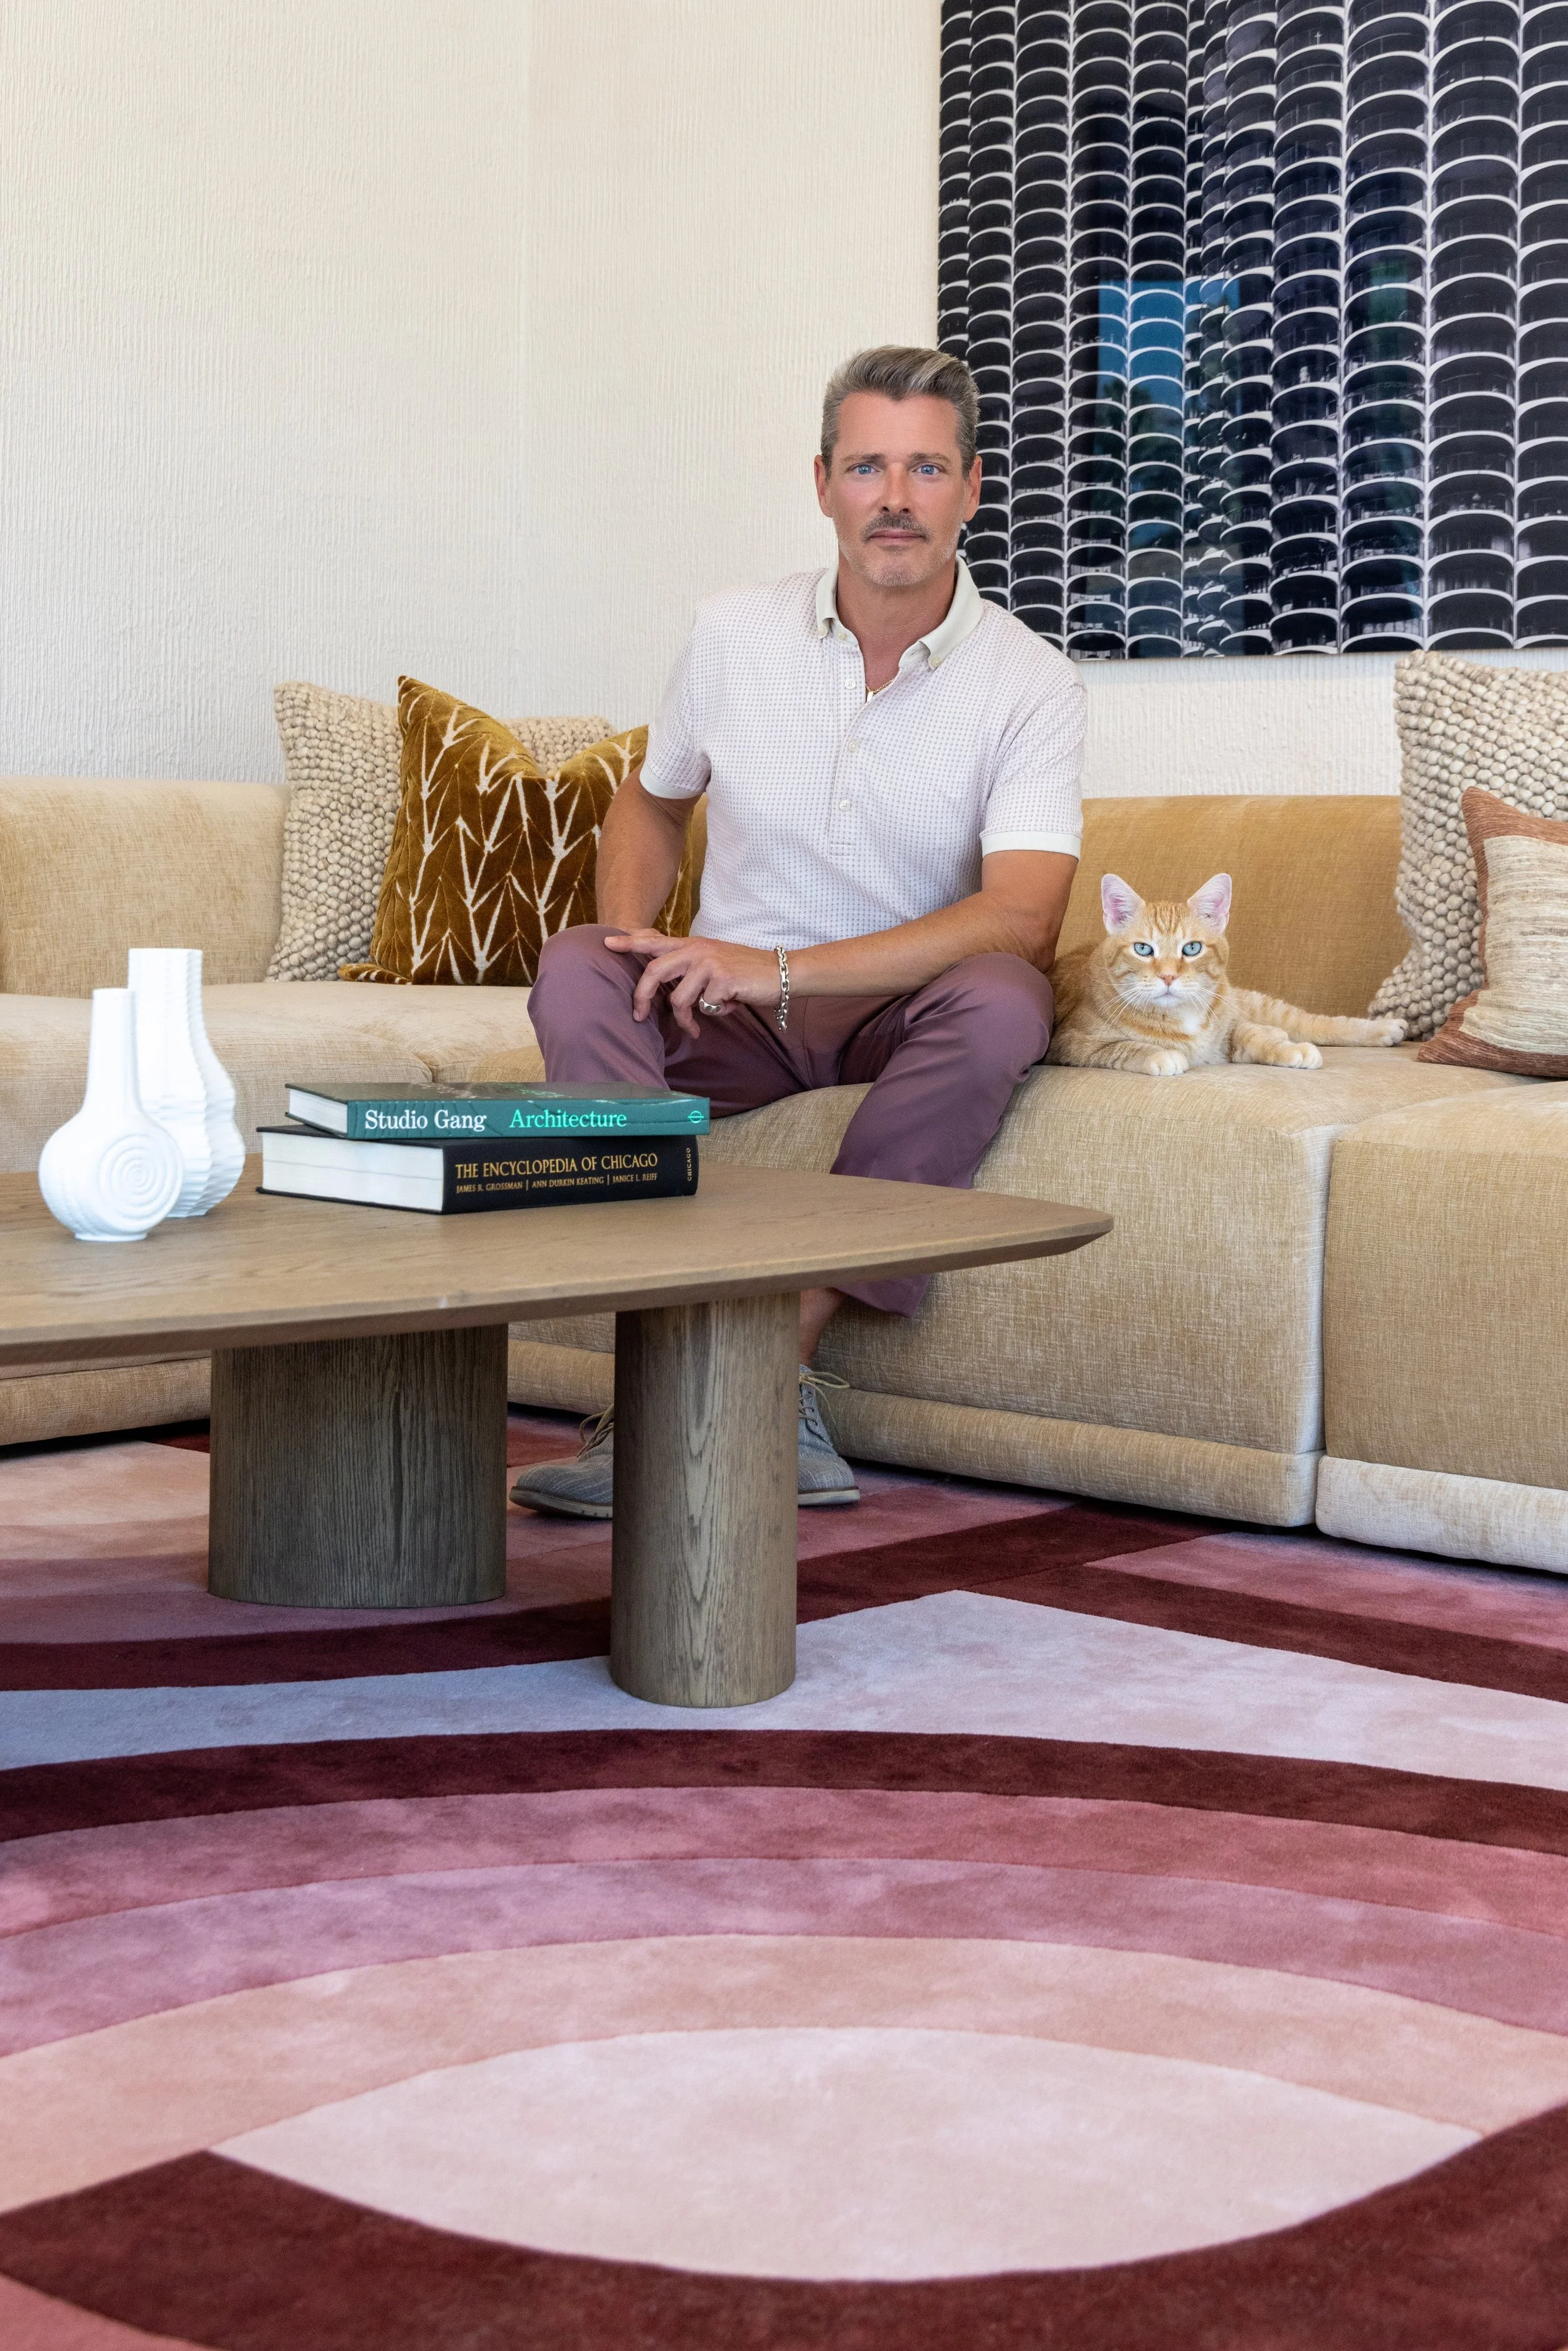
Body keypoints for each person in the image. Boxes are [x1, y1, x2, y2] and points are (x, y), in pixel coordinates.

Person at [513, 344, 1085, 1519]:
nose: (895, 496)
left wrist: (781, 969)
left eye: (927, 468)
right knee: (576, 965)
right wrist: (636, 945)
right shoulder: (731, 634)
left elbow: (1024, 918)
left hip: (890, 1011)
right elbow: (653, 800)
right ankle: (663, 1363)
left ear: (973, 489)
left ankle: (773, 1373)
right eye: (868, 465)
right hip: (725, 1015)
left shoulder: (1033, 683)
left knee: (1003, 1000)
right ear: (822, 482)